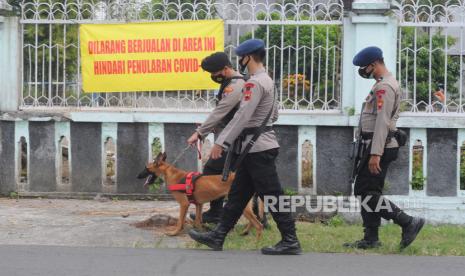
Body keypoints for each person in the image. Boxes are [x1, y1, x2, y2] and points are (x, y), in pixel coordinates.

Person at [188, 39, 302, 255]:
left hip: (257, 149)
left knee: (274, 195)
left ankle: (290, 239)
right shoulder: (267, 80)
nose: (240, 61)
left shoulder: (253, 83)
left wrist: (221, 142)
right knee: (238, 195)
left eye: (241, 57)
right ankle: (218, 236)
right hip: (255, 148)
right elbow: (274, 114)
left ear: (248, 57)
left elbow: (242, 116)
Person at [344, 46, 425, 249]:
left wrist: (375, 153)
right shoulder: (383, 84)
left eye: (365, 67)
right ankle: (371, 238)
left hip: (379, 145)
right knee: (369, 191)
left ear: (374, 64)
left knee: (365, 192)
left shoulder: (384, 87)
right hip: (374, 144)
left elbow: (382, 121)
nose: (363, 71)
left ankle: (407, 222)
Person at [187, 52, 246, 223]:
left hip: (234, 140)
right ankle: (219, 212)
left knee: (212, 170)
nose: (213, 76)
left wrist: (199, 133)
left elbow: (221, 111)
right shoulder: (229, 83)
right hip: (231, 137)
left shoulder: (235, 85)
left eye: (214, 73)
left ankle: (215, 213)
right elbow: (225, 114)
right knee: (239, 176)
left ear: (226, 69)